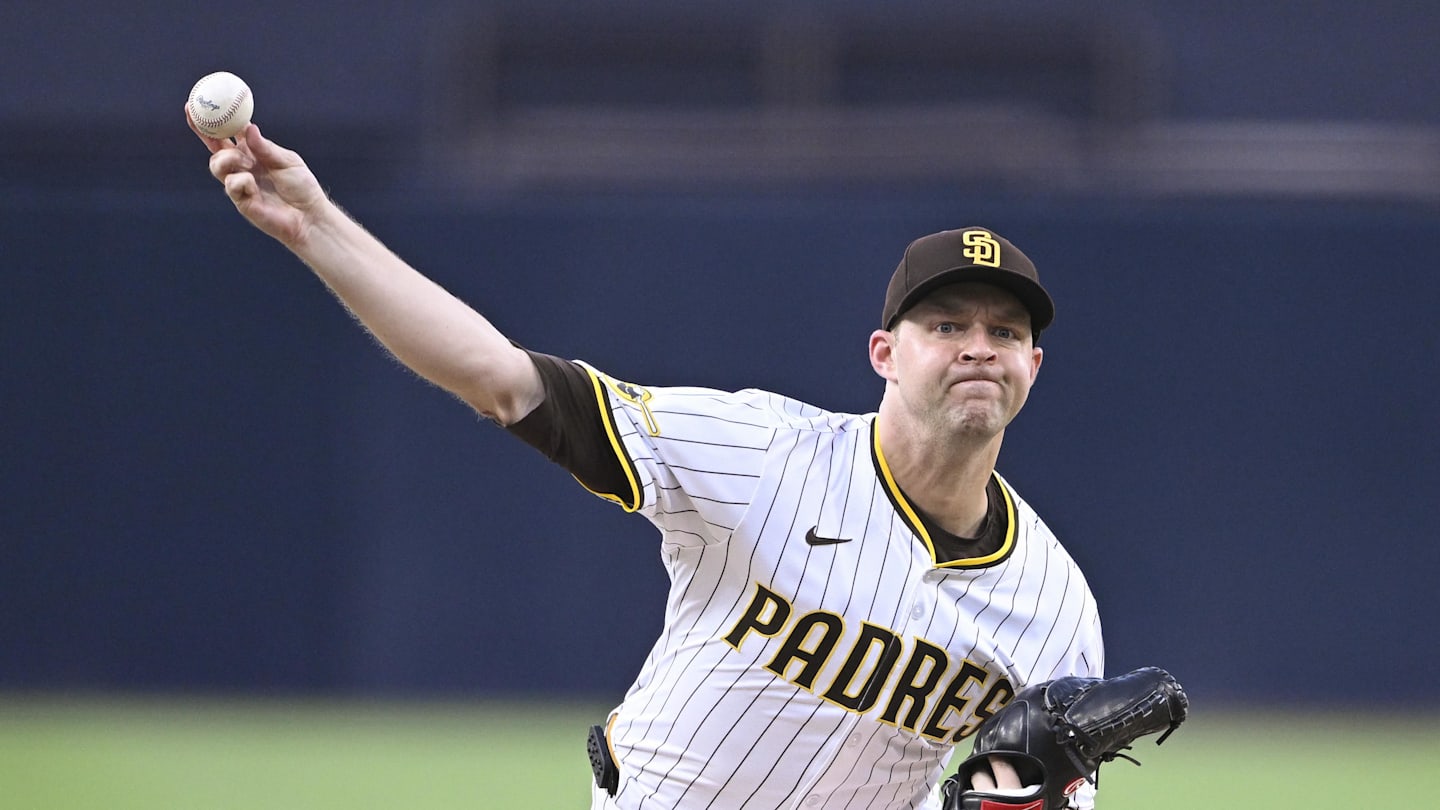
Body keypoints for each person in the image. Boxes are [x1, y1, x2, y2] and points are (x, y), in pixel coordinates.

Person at [189, 116, 1104, 810]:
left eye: (1005, 331)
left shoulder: (1055, 604)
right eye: (947, 326)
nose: (979, 347)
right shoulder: (761, 455)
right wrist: (316, 226)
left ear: (1033, 365)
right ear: (884, 354)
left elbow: (1040, 792)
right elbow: (503, 381)